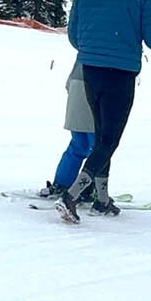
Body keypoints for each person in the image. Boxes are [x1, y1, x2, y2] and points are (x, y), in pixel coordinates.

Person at [57, 0, 151, 222]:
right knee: (109, 139)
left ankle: (102, 198)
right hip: (120, 73)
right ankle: (71, 195)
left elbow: (74, 35)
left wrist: (94, 48)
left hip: (90, 70)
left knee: (101, 135)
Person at [37, 63, 95, 202]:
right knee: (98, 148)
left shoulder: (86, 43)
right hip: (97, 88)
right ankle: (94, 189)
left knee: (78, 145)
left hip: (76, 85)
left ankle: (62, 184)